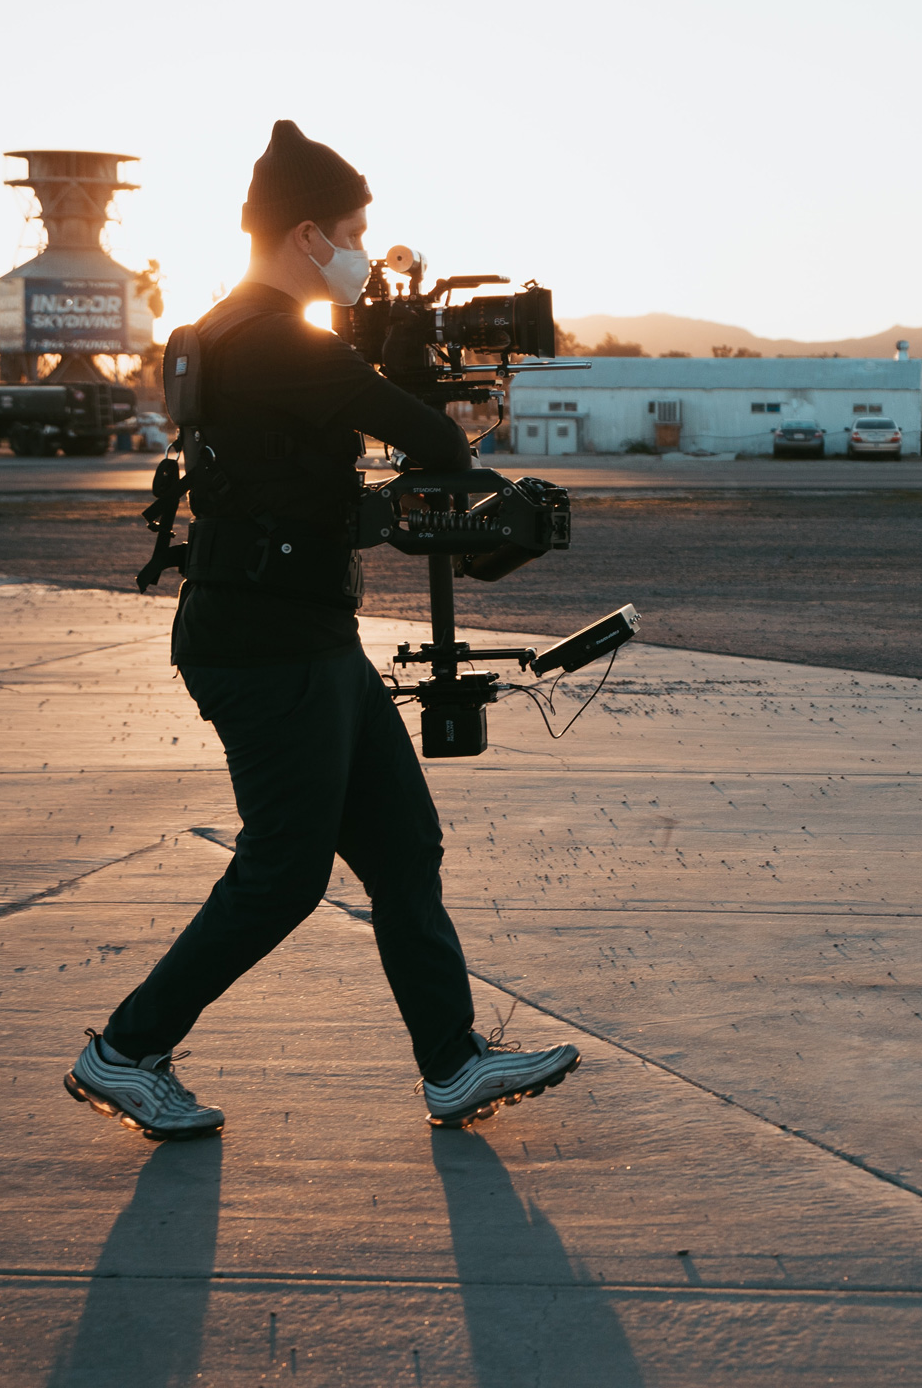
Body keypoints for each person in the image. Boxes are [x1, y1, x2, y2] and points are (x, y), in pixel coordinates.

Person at [65, 120, 579, 1140]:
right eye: (352, 235)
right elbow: (433, 441)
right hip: (266, 646)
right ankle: (124, 1052)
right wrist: (420, 386)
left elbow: (303, 484)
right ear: (306, 235)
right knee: (286, 872)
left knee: (403, 848)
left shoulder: (232, 328)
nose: (360, 255)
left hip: (302, 633)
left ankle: (452, 1064)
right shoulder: (275, 340)